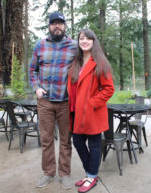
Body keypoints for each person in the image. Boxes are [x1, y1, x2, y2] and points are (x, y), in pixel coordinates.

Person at [29, 12, 77, 189]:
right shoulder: (40, 45)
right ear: (49, 26)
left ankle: (65, 173)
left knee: (65, 139)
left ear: (65, 26)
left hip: (66, 102)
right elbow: (32, 70)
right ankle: (48, 172)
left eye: (60, 23)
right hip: (46, 102)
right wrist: (36, 88)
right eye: (54, 23)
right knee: (47, 139)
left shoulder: (74, 46)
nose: (57, 26)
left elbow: (84, 66)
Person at [67, 29, 114, 193]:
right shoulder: (76, 62)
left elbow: (109, 89)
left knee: (94, 146)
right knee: (78, 142)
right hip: (76, 113)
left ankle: (91, 176)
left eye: (88, 38)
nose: (84, 41)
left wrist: (91, 103)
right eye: (81, 38)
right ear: (78, 42)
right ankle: (90, 174)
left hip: (92, 113)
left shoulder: (100, 62)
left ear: (94, 42)